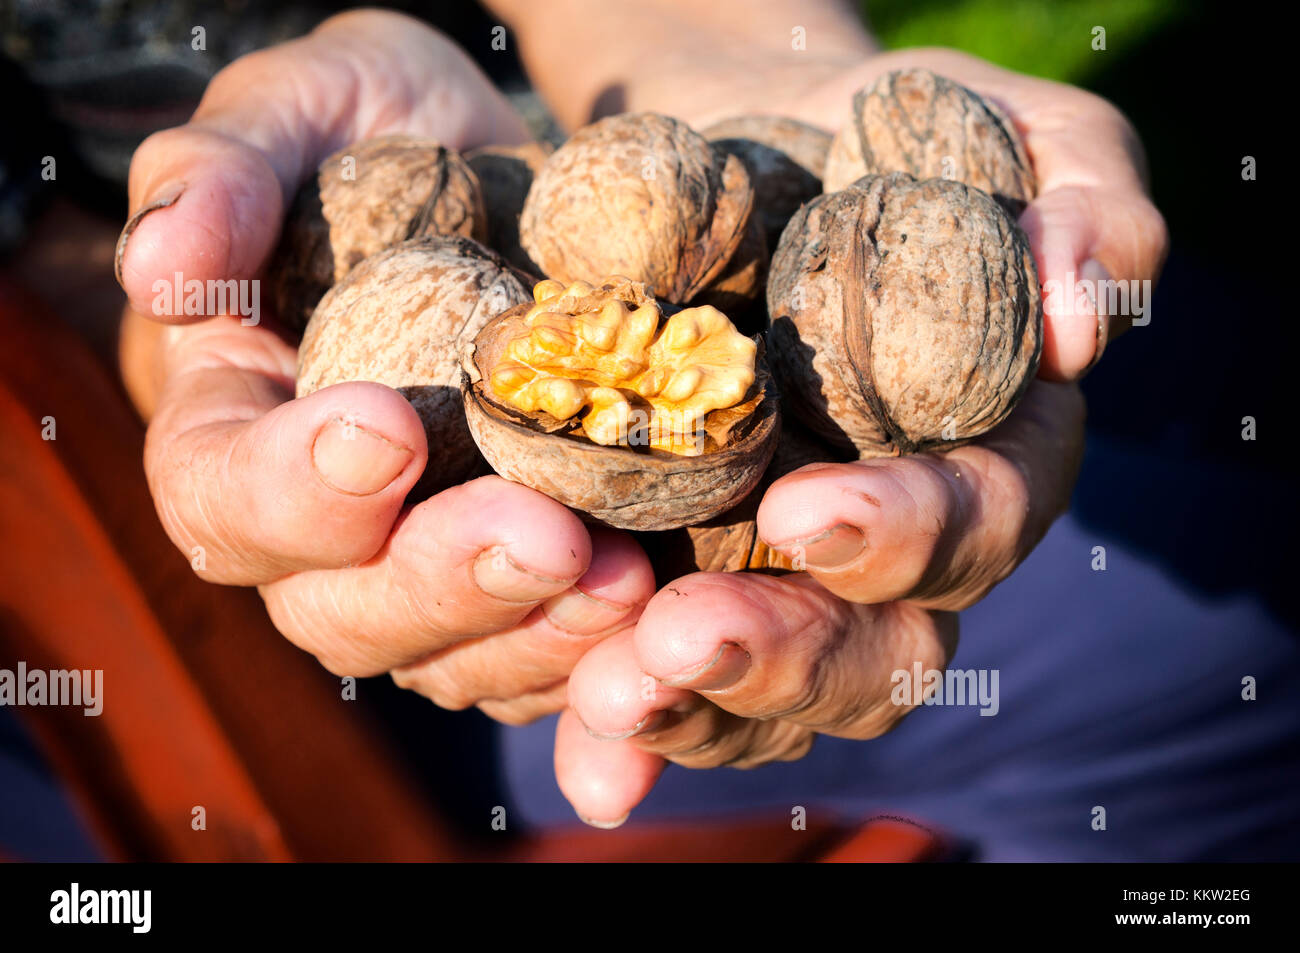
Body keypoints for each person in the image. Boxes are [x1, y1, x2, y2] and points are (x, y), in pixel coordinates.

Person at [112, 2, 1181, 839]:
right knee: (1233, 654)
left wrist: (735, 43)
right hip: (356, 708)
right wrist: (175, 344)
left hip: (544, 169)